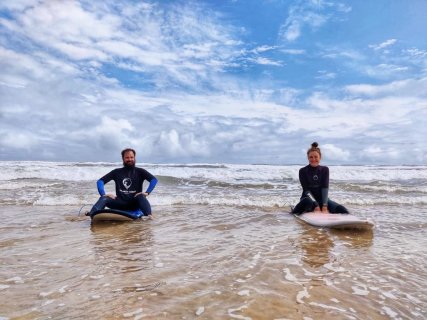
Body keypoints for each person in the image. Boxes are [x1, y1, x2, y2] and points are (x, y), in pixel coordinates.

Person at [87, 148, 158, 217]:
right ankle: (92, 214)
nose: (129, 159)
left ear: (134, 158)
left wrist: (147, 192)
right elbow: (100, 181)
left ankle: (149, 216)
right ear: (123, 159)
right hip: (119, 203)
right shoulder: (117, 172)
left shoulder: (140, 171)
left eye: (131, 157)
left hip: (134, 203)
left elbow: (154, 180)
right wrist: (103, 194)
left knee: (141, 196)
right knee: (104, 198)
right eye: (127, 157)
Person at [292, 142, 348, 214]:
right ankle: (296, 210)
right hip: (307, 200)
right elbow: (306, 190)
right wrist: (316, 205)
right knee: (308, 202)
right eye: (311, 157)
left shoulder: (325, 169)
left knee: (343, 210)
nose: (313, 159)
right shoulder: (303, 171)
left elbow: (325, 188)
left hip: (322, 201)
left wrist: (324, 206)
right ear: (308, 158)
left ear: (320, 157)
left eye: (316, 157)